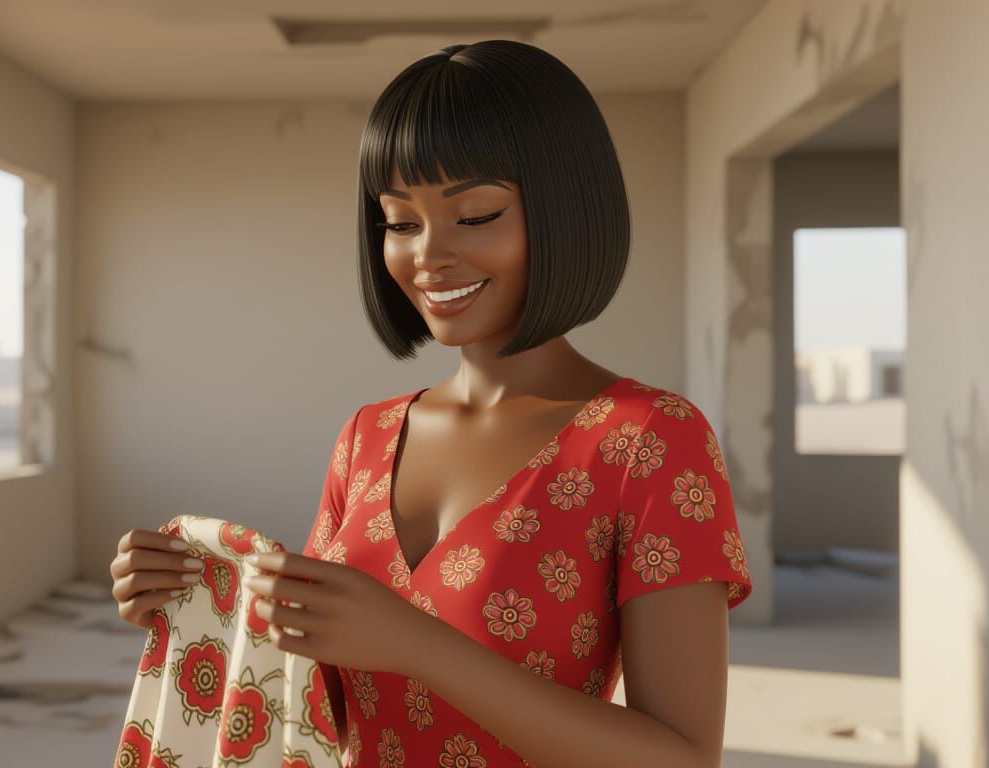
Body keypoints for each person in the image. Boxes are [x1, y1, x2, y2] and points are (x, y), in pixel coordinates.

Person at [110, 39, 753, 768]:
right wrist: (202, 601)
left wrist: (416, 645)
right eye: (400, 221)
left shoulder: (650, 440)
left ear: (568, 209)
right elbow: (322, 703)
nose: (427, 255)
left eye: (474, 215)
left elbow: (683, 758)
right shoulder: (368, 434)